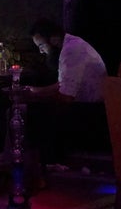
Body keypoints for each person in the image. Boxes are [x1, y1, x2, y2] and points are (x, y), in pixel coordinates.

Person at [22, 18, 108, 175]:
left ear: (54, 39)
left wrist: (33, 97)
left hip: (91, 113)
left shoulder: (72, 51)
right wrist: (36, 91)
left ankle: (38, 166)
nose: (41, 51)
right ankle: (35, 162)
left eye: (41, 46)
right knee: (31, 107)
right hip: (91, 107)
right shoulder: (70, 45)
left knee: (30, 112)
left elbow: (66, 97)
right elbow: (63, 84)